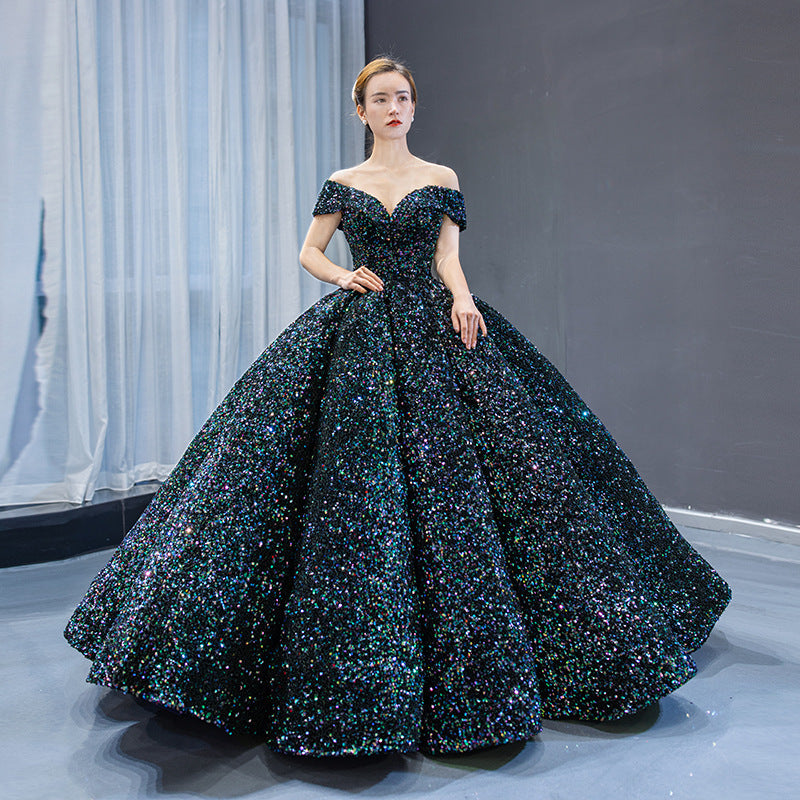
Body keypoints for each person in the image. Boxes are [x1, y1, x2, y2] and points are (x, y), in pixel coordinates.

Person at [63, 56, 732, 758]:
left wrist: (464, 296)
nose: (393, 107)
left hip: (435, 323)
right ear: (361, 110)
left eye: (403, 97)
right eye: (380, 98)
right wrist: (341, 274)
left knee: (517, 472)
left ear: (413, 107)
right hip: (359, 326)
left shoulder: (440, 179)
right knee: (331, 477)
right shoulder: (342, 185)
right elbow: (309, 250)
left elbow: (447, 256)